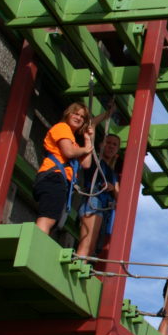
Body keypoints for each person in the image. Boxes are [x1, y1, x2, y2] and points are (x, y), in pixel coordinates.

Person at [33, 103, 94, 235]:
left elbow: (86, 164)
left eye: (82, 117)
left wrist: (88, 140)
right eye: (75, 114)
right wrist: (85, 149)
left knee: (52, 219)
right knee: (47, 218)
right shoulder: (62, 127)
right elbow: (69, 152)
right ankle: (36, 242)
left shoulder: (74, 142)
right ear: (68, 114)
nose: (78, 118)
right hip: (53, 177)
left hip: (60, 181)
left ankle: (39, 241)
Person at [75, 132, 120, 260]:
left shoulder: (112, 174)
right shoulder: (94, 160)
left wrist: (112, 188)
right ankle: (79, 265)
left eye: (114, 145)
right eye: (108, 143)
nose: (111, 146)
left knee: (92, 246)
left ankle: (82, 265)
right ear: (101, 145)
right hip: (93, 202)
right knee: (87, 243)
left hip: (103, 206)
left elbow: (119, 196)